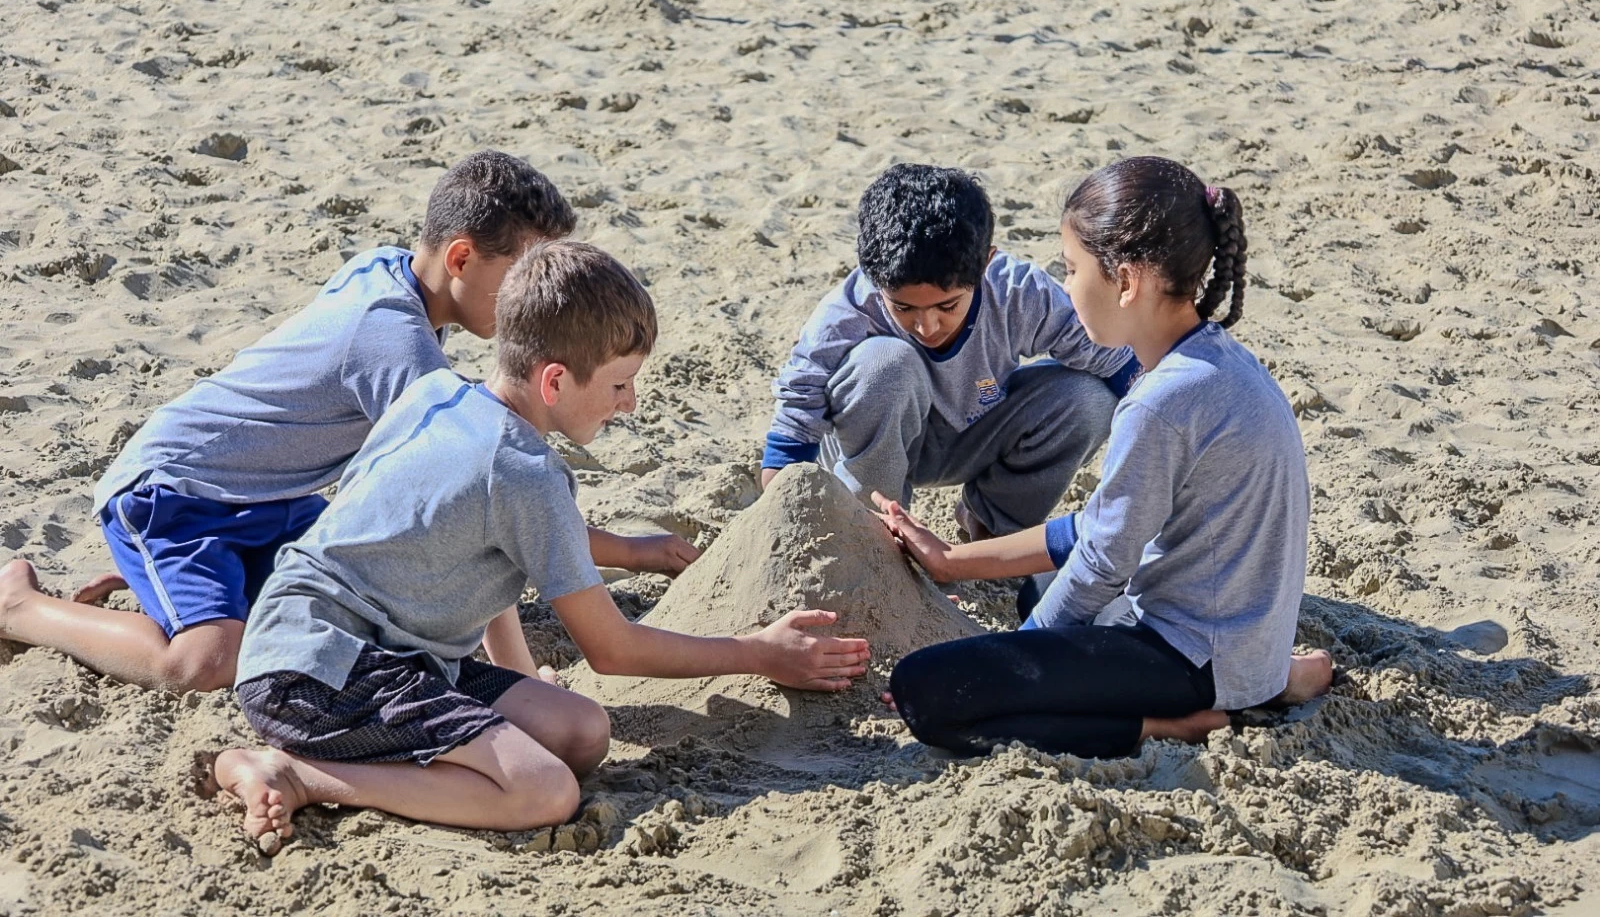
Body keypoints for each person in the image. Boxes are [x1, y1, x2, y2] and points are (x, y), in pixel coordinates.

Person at [215, 241, 870, 850]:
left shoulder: (440, 394)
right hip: (318, 671)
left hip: (345, 646)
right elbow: (612, 650)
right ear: (554, 381)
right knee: (544, 789)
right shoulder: (527, 474)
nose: (631, 404)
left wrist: (521, 680)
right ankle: (296, 773)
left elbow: (482, 555)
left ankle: (349, 754)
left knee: (581, 733)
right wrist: (759, 654)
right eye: (618, 385)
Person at [0, 151, 696, 693]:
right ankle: (22, 610)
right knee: (207, 661)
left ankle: (162, 578)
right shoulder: (395, 346)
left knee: (365, 600)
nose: (532, 304)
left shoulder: (394, 275)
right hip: (174, 496)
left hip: (270, 499)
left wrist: (627, 551)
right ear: (460, 257)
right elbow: (472, 517)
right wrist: (514, 673)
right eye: (523, 276)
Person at [876, 156, 1333, 759]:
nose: (1064, 288)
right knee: (1040, 583)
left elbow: (1100, 564)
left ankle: (1177, 725)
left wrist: (1025, 651)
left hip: (1193, 654)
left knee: (925, 692)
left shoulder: (1160, 403)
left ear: (1125, 281)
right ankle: (1273, 678)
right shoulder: (1218, 358)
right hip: (1237, 636)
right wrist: (954, 561)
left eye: (1071, 269)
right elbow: (1100, 531)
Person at [760, 163, 1138, 540]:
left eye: (947, 306)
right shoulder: (848, 310)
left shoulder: (1017, 293)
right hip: (871, 443)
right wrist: (776, 520)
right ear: (875, 278)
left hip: (972, 430)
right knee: (886, 365)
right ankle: (870, 540)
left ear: (985, 265)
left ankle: (990, 524)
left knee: (1089, 399)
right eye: (904, 308)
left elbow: (1116, 359)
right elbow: (795, 419)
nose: (927, 327)